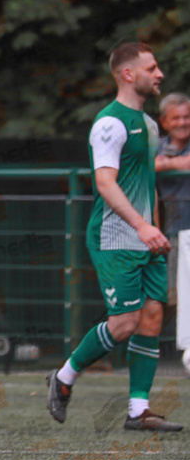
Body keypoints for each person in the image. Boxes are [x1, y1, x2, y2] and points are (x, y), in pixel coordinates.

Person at [47, 42, 182, 431]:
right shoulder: (109, 124)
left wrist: (155, 229)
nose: (159, 74)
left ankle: (138, 410)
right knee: (124, 324)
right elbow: (105, 183)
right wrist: (141, 226)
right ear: (128, 74)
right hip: (114, 238)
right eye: (151, 68)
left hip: (146, 239)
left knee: (153, 317)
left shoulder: (152, 125)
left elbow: (147, 185)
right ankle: (64, 377)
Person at [154, 92, 190, 304]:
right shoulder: (155, 146)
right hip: (170, 235)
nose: (182, 123)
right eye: (176, 118)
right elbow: (137, 166)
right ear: (164, 122)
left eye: (187, 117)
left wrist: (163, 164)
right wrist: (176, 163)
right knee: (174, 297)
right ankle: (179, 339)